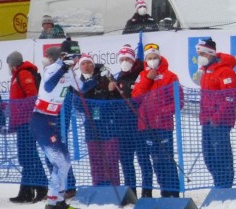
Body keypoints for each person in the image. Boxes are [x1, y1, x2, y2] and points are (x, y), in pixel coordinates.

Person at [32, 40, 86, 209]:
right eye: (73, 57)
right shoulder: (53, 68)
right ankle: (51, 206)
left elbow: (82, 90)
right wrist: (63, 67)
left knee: (66, 161)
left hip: (51, 121)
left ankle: (60, 202)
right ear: (64, 56)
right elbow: (48, 87)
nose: (76, 61)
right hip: (41, 120)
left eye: (78, 57)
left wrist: (98, 77)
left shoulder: (70, 71)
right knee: (60, 163)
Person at [131, 43, 182, 198]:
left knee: (166, 158)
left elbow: (179, 101)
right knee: (156, 160)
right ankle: (163, 190)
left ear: (159, 58)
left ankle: (172, 191)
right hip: (146, 125)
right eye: (149, 58)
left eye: (155, 57)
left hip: (163, 125)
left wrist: (162, 112)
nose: (152, 60)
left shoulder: (170, 76)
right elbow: (136, 96)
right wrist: (147, 79)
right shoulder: (141, 75)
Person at [196, 37, 236, 188]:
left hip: (220, 121)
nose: (200, 57)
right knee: (208, 155)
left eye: (203, 54)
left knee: (221, 154)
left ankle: (225, 185)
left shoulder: (225, 71)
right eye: (199, 54)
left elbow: (230, 97)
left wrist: (217, 116)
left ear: (211, 53)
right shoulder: (206, 72)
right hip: (207, 120)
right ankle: (218, 182)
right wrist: (203, 116)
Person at [111, 44, 154, 198]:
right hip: (123, 128)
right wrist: (113, 91)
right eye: (122, 59)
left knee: (144, 160)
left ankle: (147, 191)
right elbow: (114, 103)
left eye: (127, 59)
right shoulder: (118, 77)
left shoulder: (141, 74)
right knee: (126, 162)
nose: (124, 62)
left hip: (140, 125)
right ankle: (131, 193)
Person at [5, 50, 47, 203]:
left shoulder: (23, 74)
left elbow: (32, 96)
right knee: (26, 157)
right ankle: (26, 190)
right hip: (21, 121)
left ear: (13, 65)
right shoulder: (17, 76)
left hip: (27, 121)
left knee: (30, 156)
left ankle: (41, 186)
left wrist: (22, 112)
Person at [77, 54, 123, 186]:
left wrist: (108, 93)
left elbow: (114, 100)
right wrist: (94, 106)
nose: (86, 66)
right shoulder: (78, 82)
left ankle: (113, 185)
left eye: (88, 63)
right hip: (91, 126)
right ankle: (97, 185)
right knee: (95, 159)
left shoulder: (105, 77)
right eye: (83, 64)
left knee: (111, 158)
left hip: (108, 124)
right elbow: (78, 105)